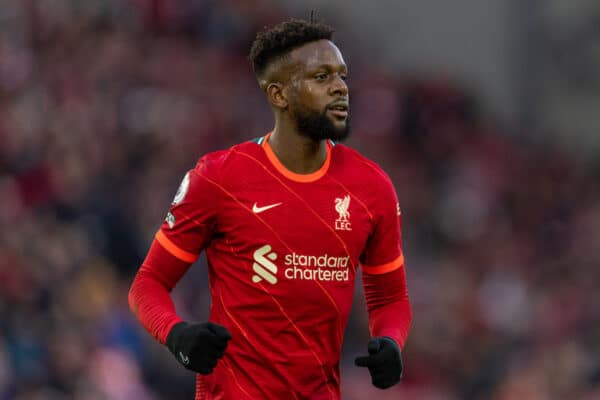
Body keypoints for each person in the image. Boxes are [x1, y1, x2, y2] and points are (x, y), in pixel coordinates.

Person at [128, 18, 412, 399]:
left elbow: (390, 298)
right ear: (279, 94)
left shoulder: (372, 187)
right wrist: (177, 334)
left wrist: (391, 342)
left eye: (342, 76)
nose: (341, 88)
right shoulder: (219, 177)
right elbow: (148, 284)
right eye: (322, 77)